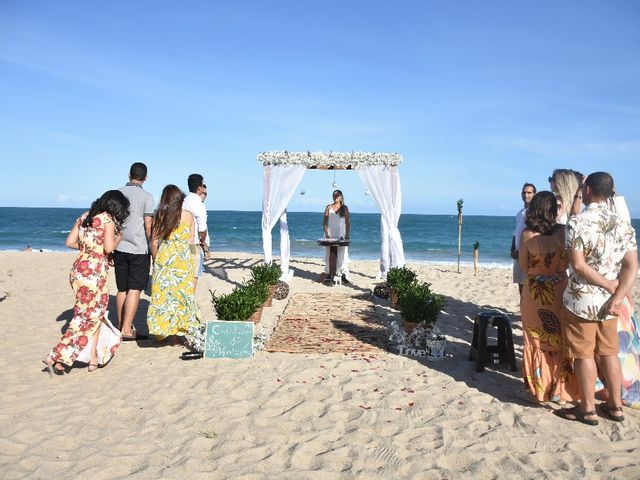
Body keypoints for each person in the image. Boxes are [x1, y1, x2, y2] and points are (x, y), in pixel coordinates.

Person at [555, 172, 638, 426]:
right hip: (610, 303)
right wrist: (618, 294)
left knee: (584, 355)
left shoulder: (577, 222)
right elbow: (631, 266)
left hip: (582, 301)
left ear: (587, 190)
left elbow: (578, 266)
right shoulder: (624, 224)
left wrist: (608, 284)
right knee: (609, 353)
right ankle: (615, 406)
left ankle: (588, 409)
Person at [42, 190, 130, 375]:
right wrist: (118, 237)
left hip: (78, 270)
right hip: (94, 273)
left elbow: (69, 242)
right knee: (90, 317)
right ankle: (55, 355)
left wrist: (90, 248)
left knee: (92, 315)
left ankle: (92, 358)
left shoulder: (84, 217)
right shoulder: (107, 220)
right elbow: (109, 247)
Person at [518, 191, 578, 403]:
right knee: (559, 337)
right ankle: (560, 391)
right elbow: (573, 261)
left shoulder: (526, 235)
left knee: (535, 339)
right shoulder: (564, 232)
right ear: (554, 210)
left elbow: (524, 267)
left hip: (535, 293)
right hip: (560, 290)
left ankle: (539, 390)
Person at [147, 185, 200, 344]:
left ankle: (163, 331)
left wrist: (156, 260)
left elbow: (154, 242)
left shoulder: (160, 215)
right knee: (181, 296)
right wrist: (193, 258)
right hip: (183, 260)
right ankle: (178, 335)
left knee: (163, 296)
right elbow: (191, 242)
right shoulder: (189, 216)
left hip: (165, 259)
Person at [114, 162, 154, 341]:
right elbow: (148, 224)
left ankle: (121, 325)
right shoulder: (147, 196)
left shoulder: (117, 193)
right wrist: (153, 245)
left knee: (121, 289)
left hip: (119, 246)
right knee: (135, 289)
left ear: (129, 174)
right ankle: (127, 329)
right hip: (138, 248)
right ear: (146, 178)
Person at [182, 173, 209, 288]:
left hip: (182, 242)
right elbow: (202, 229)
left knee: (185, 274)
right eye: (203, 185)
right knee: (194, 275)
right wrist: (205, 246)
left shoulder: (184, 200)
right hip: (193, 245)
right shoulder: (198, 204)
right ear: (199, 187)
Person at [511, 182, 536, 295]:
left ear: (534, 194)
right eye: (524, 192)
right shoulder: (519, 213)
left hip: (528, 253)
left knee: (529, 284)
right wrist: (512, 249)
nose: (526, 195)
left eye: (529, 192)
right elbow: (516, 232)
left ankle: (528, 310)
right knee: (520, 282)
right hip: (518, 253)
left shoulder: (535, 212)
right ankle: (522, 308)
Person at [321, 189, 351, 283]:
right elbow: (325, 222)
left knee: (341, 254)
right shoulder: (328, 207)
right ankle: (330, 274)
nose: (335, 197)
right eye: (334, 195)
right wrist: (327, 234)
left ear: (341, 196)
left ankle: (341, 274)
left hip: (341, 234)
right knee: (330, 254)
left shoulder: (344, 208)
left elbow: (347, 222)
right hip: (330, 234)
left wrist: (347, 234)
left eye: (337, 195)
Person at [199, 184, 211, 261]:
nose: (205, 196)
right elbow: (201, 229)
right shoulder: (199, 206)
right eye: (204, 193)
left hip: (198, 243)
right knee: (197, 265)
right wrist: (205, 248)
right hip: (197, 244)